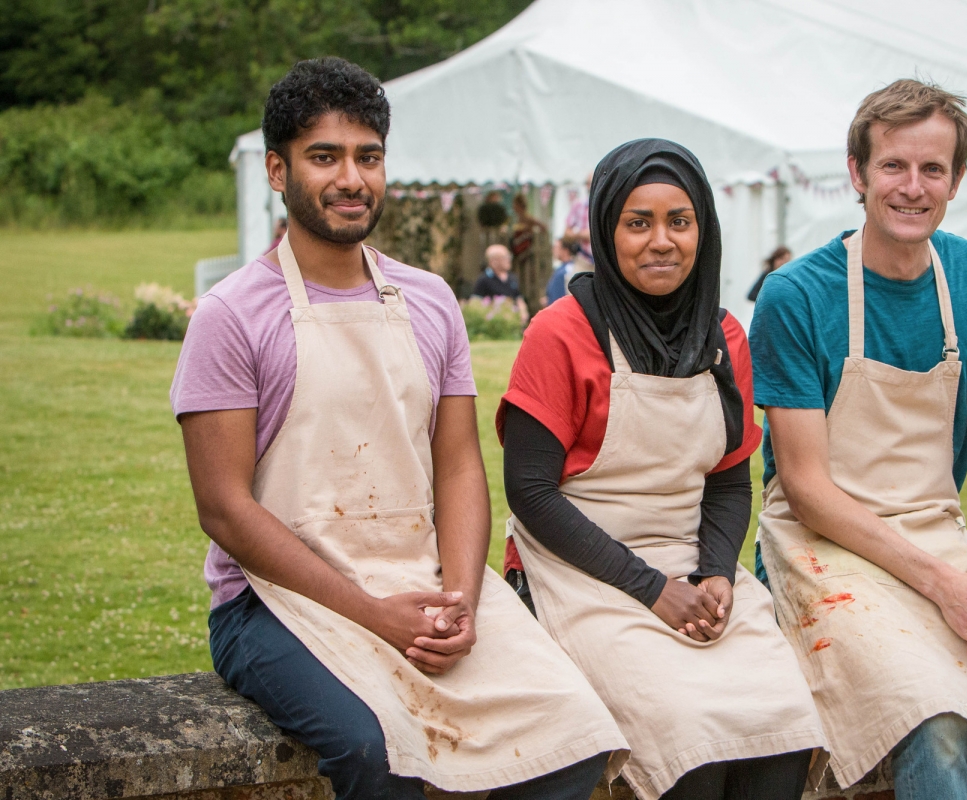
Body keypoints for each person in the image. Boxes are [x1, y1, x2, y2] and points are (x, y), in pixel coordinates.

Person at [171, 57, 627, 800]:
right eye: (325, 157)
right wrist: (374, 615)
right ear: (278, 173)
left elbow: (458, 467)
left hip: (416, 576)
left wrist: (461, 600)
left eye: (368, 157)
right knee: (374, 746)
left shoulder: (430, 300)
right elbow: (224, 508)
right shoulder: (232, 316)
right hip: (272, 604)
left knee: (573, 731)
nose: (352, 178)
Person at [750, 79, 967, 799]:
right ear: (857, 174)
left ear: (957, 179)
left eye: (932, 169)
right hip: (824, 549)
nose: (912, 187)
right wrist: (945, 589)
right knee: (935, 725)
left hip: (936, 529)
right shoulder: (796, 295)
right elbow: (807, 488)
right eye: (893, 166)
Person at [499, 139, 826, 800]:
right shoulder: (559, 334)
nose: (662, 241)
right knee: (689, 743)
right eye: (638, 222)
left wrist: (714, 572)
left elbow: (731, 478)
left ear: (703, 230)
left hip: (690, 562)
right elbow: (530, 492)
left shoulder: (724, 337)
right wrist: (652, 589)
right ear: (606, 231)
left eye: (680, 221)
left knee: (783, 725)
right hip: (581, 572)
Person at [563, 171, 593, 262]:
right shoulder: (578, 205)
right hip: (584, 258)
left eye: (592, 183)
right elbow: (566, 233)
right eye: (588, 183)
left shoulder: (608, 205)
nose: (590, 186)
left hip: (604, 261)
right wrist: (581, 234)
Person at [543, 236, 580, 306]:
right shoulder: (560, 269)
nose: (553, 250)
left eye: (556, 247)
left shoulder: (568, 271)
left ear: (565, 250)